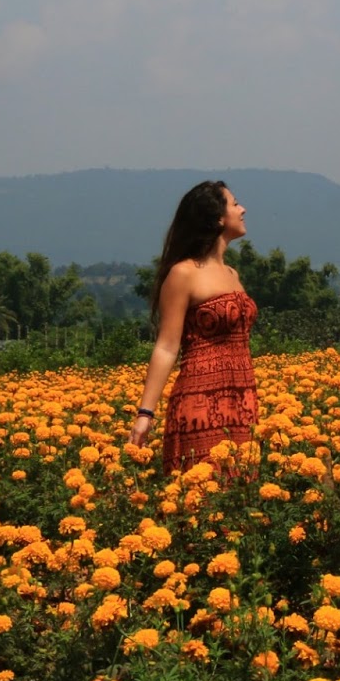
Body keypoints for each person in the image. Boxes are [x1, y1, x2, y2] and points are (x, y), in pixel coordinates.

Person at [128, 181, 259, 471]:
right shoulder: (183, 273)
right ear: (217, 218)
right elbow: (166, 346)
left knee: (241, 502)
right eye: (235, 203)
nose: (243, 209)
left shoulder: (232, 274)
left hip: (242, 401)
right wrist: (145, 414)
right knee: (201, 502)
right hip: (200, 405)